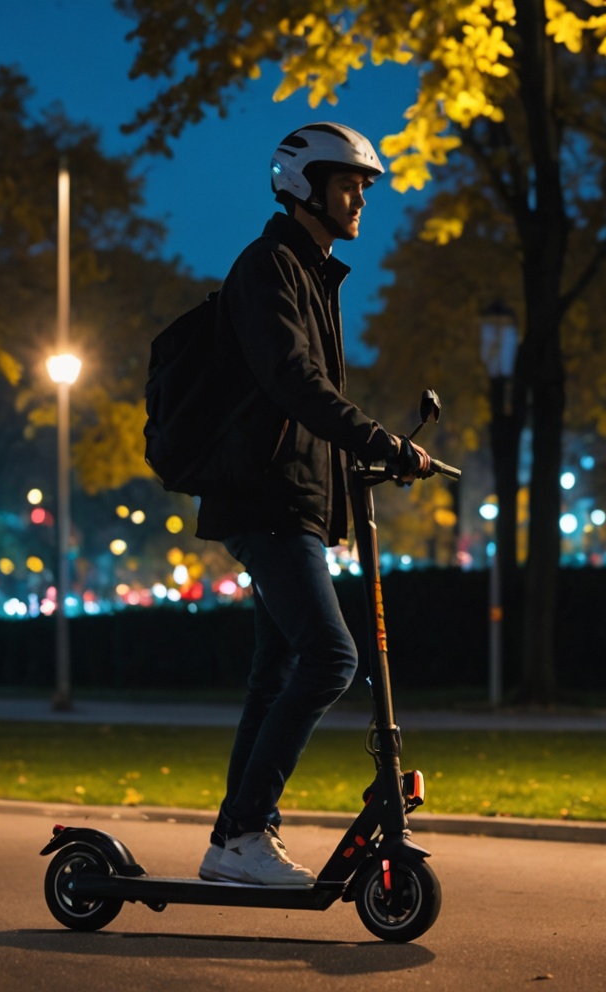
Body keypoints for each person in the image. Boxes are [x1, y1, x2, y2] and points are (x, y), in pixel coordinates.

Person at [193, 122, 437, 886]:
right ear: (305, 186)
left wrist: (377, 454)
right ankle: (243, 834)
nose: (362, 197)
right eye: (350, 184)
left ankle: (230, 842)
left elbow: (311, 398)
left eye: (364, 186)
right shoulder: (268, 268)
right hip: (263, 498)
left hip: (287, 497)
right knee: (332, 657)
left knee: (276, 670)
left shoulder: (310, 271)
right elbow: (294, 382)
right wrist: (379, 440)